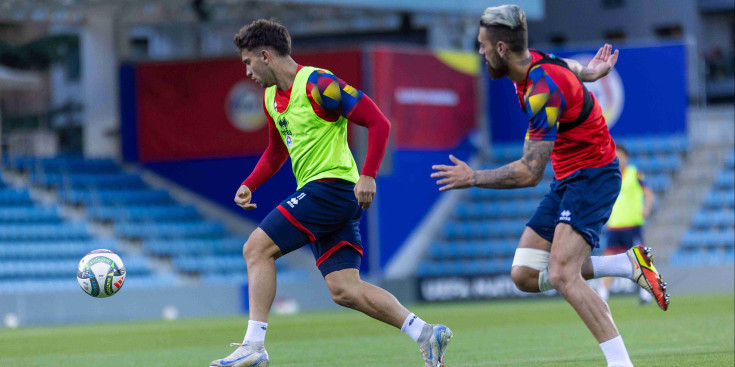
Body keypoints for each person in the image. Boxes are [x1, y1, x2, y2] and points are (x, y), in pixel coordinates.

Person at [430, 5, 668, 367]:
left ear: (501, 50)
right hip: (568, 179)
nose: (478, 52)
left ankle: (621, 364)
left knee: (561, 273)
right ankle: (626, 265)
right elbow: (569, 66)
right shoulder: (534, 63)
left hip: (593, 175)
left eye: (481, 46)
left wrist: (473, 177)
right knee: (524, 275)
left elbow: (528, 172)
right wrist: (591, 72)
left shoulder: (542, 89)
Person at [210, 19, 452, 367]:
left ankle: (254, 346)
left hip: (333, 188)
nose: (246, 71)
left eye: (248, 61)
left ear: (264, 55)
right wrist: (250, 183)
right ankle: (426, 334)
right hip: (323, 194)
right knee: (345, 290)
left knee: (256, 249)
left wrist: (368, 175)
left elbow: (378, 122)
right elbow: (277, 151)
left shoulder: (319, 84)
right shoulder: (270, 99)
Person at [597, 145, 656, 304]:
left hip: (632, 225)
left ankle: (646, 293)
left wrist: (647, 208)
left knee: (639, 260)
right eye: (615, 156)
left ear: (626, 157)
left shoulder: (634, 174)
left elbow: (649, 193)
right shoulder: (610, 177)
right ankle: (603, 294)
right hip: (615, 226)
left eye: (620, 155)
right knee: (608, 261)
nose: (618, 159)